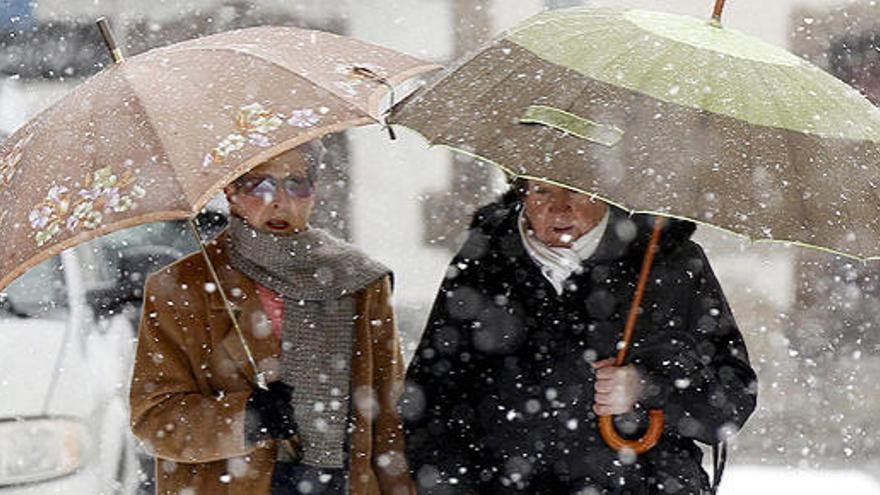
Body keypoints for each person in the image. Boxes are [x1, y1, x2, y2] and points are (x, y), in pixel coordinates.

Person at [402, 180, 758, 494]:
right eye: (542, 190)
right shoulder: (483, 264)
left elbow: (731, 403)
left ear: (603, 191)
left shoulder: (669, 262)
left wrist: (646, 387)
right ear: (521, 192)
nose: (561, 207)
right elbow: (427, 406)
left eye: (576, 189)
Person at [130, 140, 415, 495]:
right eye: (259, 185)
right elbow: (154, 420)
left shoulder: (359, 281)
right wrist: (247, 417)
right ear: (229, 191)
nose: (280, 200)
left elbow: (390, 418)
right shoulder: (181, 288)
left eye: (297, 183)